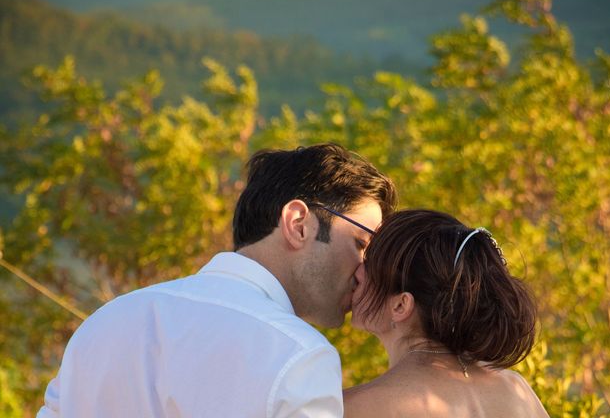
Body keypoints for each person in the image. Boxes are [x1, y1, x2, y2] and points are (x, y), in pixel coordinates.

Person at [37, 143, 397, 418]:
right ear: (298, 223)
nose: (368, 270)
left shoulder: (105, 322)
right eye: (362, 243)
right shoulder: (298, 355)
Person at [344, 209, 549, 418]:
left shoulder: (357, 407)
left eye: (370, 261)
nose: (358, 269)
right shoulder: (516, 391)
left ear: (401, 305)